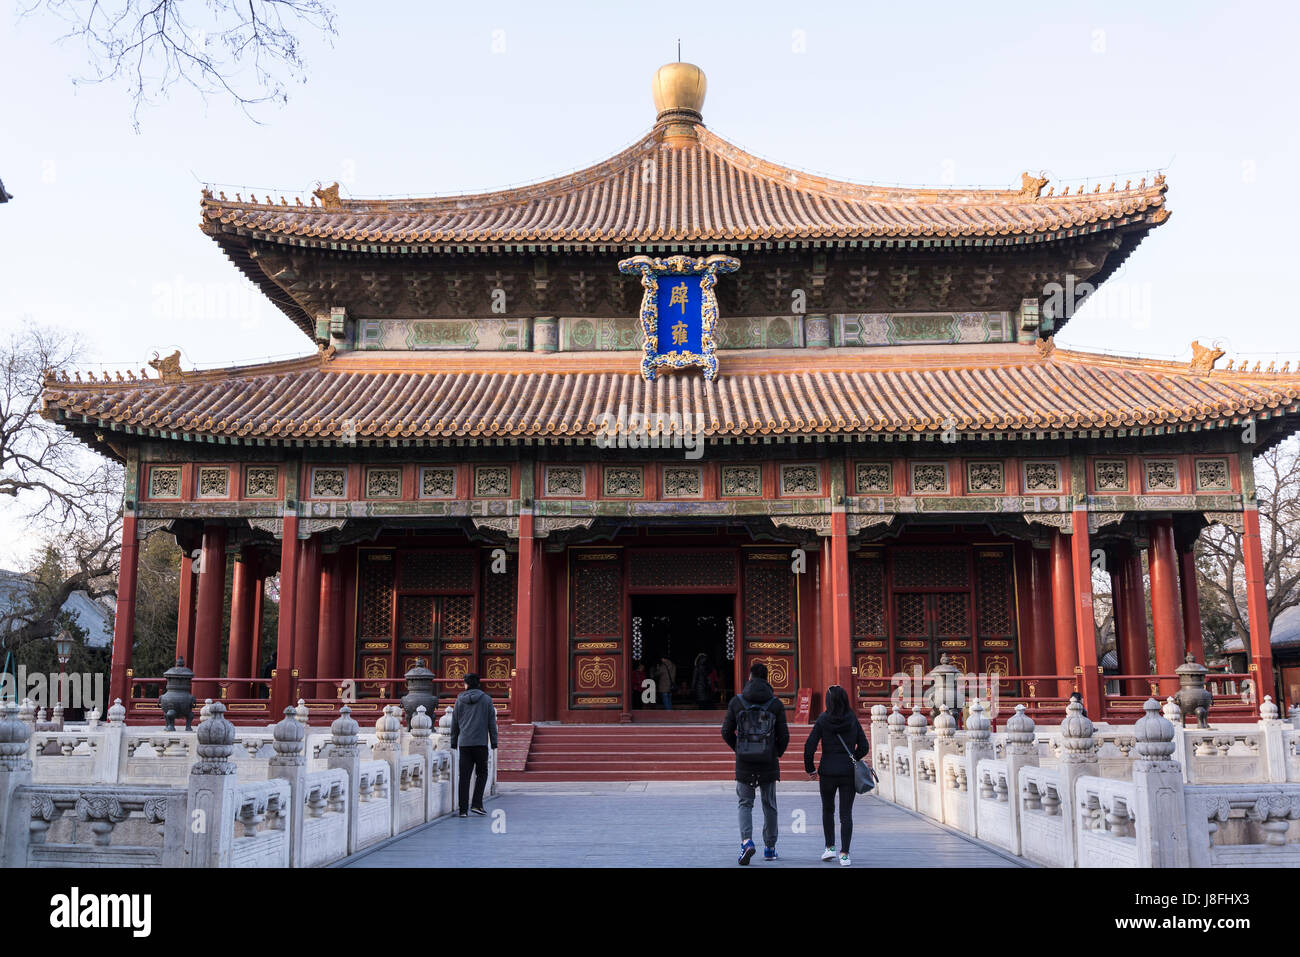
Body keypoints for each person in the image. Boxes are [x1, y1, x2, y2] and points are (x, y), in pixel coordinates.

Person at [721, 661, 789, 864]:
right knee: (769, 805)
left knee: (745, 803)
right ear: (767, 678)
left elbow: (725, 732)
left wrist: (740, 749)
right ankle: (770, 848)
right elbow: (784, 736)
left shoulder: (737, 702)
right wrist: (775, 753)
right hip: (768, 762)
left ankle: (747, 842)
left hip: (745, 763)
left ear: (749, 677)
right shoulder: (775, 704)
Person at [804, 684, 869, 866]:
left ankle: (829, 848)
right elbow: (864, 746)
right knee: (846, 814)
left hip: (827, 772)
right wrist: (853, 759)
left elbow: (809, 746)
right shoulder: (852, 719)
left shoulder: (823, 720)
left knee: (828, 809)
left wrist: (810, 768)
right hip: (848, 772)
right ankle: (845, 854)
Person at [450, 673, 498, 817]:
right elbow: (491, 723)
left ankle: (463, 809)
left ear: (466, 684)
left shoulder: (459, 700)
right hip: (480, 743)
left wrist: (454, 741)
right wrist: (494, 741)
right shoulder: (486, 700)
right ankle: (477, 804)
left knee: (464, 776)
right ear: (478, 684)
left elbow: (455, 722)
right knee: (482, 773)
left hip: (464, 743)